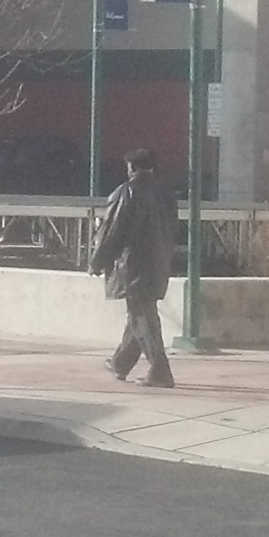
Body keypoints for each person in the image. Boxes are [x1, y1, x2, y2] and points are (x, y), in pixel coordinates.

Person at [90, 147, 175, 387]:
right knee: (139, 314)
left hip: (133, 265)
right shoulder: (166, 194)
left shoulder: (125, 193)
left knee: (142, 315)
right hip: (158, 261)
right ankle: (120, 363)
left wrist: (97, 261)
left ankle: (160, 370)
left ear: (132, 168)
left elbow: (111, 232)